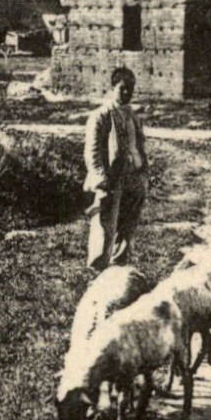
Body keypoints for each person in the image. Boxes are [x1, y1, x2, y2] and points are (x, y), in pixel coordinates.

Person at [83, 66, 149, 270]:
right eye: (122, 88)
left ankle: (118, 265)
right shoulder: (101, 116)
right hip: (111, 179)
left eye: (130, 88)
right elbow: (92, 152)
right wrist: (101, 180)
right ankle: (97, 267)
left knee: (128, 224)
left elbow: (139, 145)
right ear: (112, 88)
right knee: (105, 223)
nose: (127, 93)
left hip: (133, 177)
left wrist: (143, 173)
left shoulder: (133, 116)